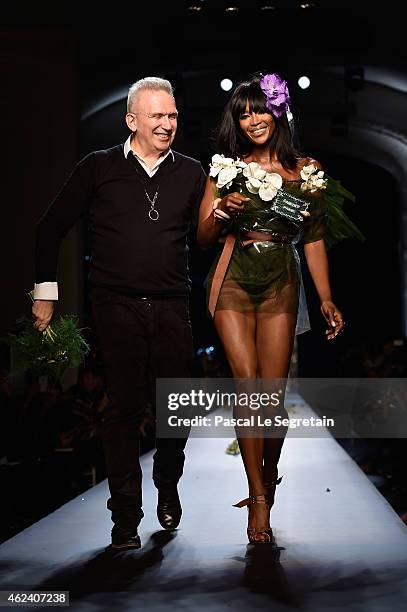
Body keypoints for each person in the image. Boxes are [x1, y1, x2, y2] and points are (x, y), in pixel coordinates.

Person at [31, 77, 206, 549]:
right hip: (114, 304)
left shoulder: (193, 173)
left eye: (172, 115)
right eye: (157, 116)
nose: (167, 124)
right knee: (123, 408)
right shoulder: (98, 167)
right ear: (132, 120)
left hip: (172, 305)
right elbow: (49, 229)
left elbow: (211, 239)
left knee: (176, 408)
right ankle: (125, 516)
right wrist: (44, 294)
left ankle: (167, 484)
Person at [197, 73, 347, 544]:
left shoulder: (307, 172)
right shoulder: (225, 169)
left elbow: (316, 239)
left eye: (259, 110)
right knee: (247, 388)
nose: (252, 120)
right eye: (242, 114)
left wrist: (324, 297)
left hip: (282, 280)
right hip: (232, 280)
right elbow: (201, 238)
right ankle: (257, 498)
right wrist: (220, 214)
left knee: (271, 397)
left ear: (277, 111)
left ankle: (270, 473)